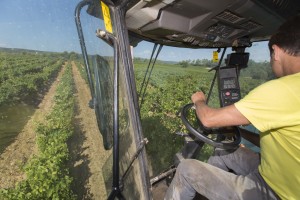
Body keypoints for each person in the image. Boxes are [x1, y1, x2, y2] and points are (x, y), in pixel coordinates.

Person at [164, 15, 300, 200]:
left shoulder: (283, 88)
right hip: (282, 173)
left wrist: (199, 101)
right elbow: (282, 141)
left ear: (276, 51)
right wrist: (241, 133)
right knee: (224, 151)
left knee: (187, 169)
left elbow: (208, 119)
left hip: (278, 192)